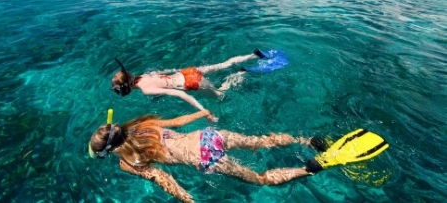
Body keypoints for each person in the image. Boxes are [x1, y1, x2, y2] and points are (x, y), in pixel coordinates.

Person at [88, 109, 324, 203]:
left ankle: (309, 169)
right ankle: (305, 140)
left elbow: (162, 178)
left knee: (261, 179)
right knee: (260, 141)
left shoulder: (127, 161)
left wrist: (187, 200)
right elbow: (178, 122)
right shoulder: (144, 125)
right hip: (208, 136)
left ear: (109, 150)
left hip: (206, 158)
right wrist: (203, 112)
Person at [111, 49, 267, 122]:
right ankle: (253, 55)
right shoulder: (143, 76)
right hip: (187, 72)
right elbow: (166, 72)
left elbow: (180, 94)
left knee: (221, 95)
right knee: (222, 64)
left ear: (127, 89)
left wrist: (203, 111)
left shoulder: (146, 90)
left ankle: (240, 73)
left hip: (191, 82)